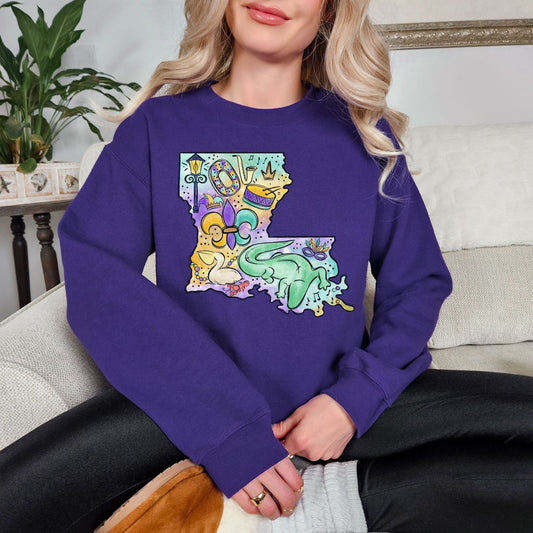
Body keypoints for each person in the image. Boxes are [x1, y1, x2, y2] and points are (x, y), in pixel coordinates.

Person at [1, 1, 532, 531]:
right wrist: (230, 435)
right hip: (192, 414)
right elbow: (98, 283)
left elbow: (417, 283)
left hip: (339, 412)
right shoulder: (156, 129)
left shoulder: (362, 133)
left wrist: (352, 402)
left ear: (329, 12)